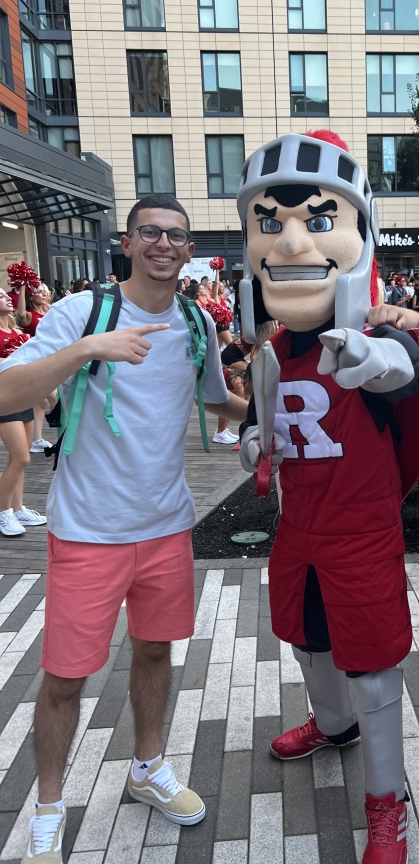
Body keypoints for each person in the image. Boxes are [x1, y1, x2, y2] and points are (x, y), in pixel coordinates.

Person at [0, 192, 247, 864]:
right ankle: (48, 807)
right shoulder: (83, 311)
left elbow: (216, 400)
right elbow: (7, 395)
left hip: (167, 526)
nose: (163, 244)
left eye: (176, 235)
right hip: (88, 532)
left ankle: (146, 770)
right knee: (64, 679)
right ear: (127, 241)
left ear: (188, 248)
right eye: (150, 232)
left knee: (153, 654)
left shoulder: (196, 322)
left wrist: (275, 421)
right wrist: (87, 349)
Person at [237, 130, 419, 864]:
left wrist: (372, 349)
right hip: (299, 526)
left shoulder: (379, 338)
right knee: (308, 642)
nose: (287, 244)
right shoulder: (276, 351)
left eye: (314, 220)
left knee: (371, 664)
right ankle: (330, 724)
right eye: (270, 224)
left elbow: (388, 375)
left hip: (363, 529)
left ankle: (388, 801)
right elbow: (268, 428)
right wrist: (256, 444)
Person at [0, 289, 46, 535]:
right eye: (0, 296)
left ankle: (17, 509)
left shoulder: (17, 332)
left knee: (18, 460)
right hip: (3, 400)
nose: (7, 297)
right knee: (22, 458)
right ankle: (2, 513)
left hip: (23, 397)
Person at [17, 285, 54, 453]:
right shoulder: (30, 315)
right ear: (32, 296)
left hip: (52, 358)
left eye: (45, 291)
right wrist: (23, 288)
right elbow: (21, 316)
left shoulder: (50, 311)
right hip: (35, 360)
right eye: (39, 291)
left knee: (41, 402)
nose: (44, 294)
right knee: (55, 397)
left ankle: (37, 440)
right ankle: (66, 432)